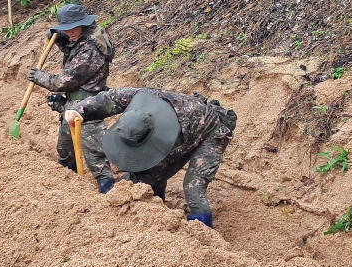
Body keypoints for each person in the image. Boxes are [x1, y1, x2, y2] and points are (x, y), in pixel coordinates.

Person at [64, 88, 236, 227]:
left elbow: (160, 166)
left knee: (193, 186)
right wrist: (79, 109)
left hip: (212, 132)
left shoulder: (170, 134)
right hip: (186, 126)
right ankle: (156, 213)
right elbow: (112, 98)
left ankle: (205, 236)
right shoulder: (142, 97)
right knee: (149, 176)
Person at [27, 4, 115, 192]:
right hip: (72, 105)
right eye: (64, 29)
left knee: (95, 158)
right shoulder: (80, 36)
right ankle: (70, 194)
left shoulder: (91, 48)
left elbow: (63, 82)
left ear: (83, 24)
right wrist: (57, 37)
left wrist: (39, 76)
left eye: (72, 29)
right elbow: (71, 44)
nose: (69, 33)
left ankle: (110, 197)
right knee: (65, 153)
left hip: (88, 107)